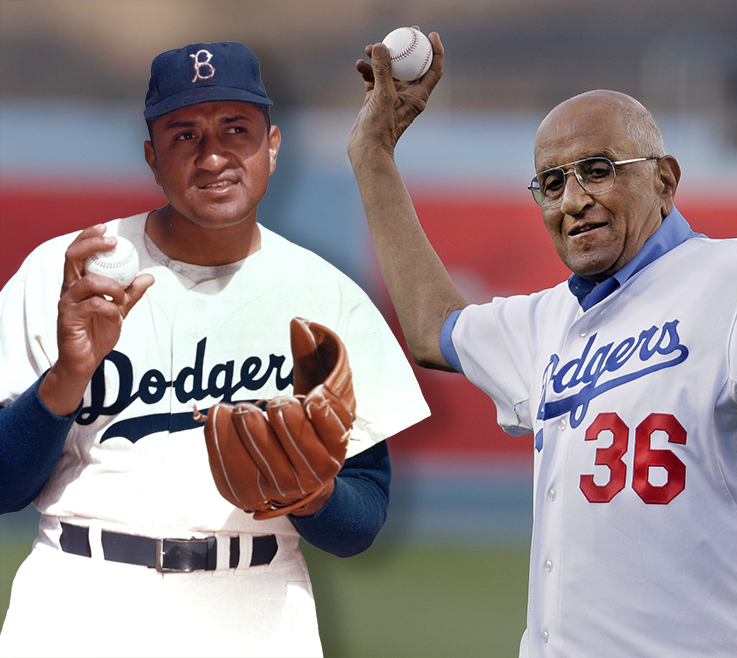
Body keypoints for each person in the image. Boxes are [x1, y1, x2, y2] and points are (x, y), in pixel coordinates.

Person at [347, 31, 737, 657]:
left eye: (597, 170)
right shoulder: (547, 321)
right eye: (552, 183)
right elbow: (433, 329)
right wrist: (373, 156)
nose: (573, 200)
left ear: (664, 180)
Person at [0, 41, 429, 657]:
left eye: (236, 129)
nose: (213, 156)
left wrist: (313, 495)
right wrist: (66, 377)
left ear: (272, 146)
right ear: (152, 157)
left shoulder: (328, 298)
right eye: (185, 135)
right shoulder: (65, 274)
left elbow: (361, 523)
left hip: (255, 606)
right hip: (78, 597)